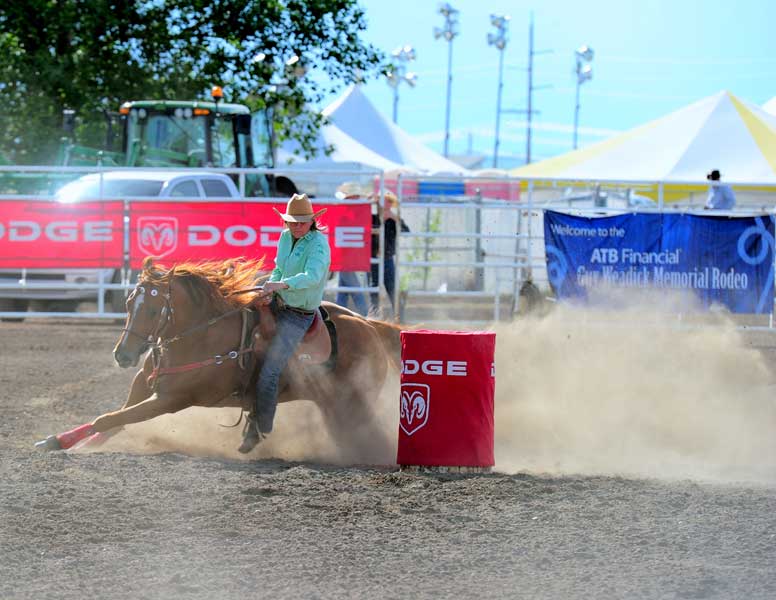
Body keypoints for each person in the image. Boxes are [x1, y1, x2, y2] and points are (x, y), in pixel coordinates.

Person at [239, 193, 331, 453]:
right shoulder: (285, 238)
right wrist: (271, 283)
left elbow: (312, 276)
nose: (297, 226)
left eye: (302, 222)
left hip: (299, 313)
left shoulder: (319, 245)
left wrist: (282, 284)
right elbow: (280, 267)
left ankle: (259, 427)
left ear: (311, 222)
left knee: (270, 371)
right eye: (293, 222)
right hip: (279, 300)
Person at [370, 190, 410, 317]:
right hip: (374, 258)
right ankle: (375, 316)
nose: (387, 203)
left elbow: (406, 231)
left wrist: (394, 218)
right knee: (374, 289)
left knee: (391, 288)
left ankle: (399, 316)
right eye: (384, 200)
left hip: (387, 258)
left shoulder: (394, 219)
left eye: (389, 201)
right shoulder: (373, 217)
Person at [334, 182, 369, 315]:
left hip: (348, 256)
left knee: (345, 289)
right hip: (346, 256)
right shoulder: (347, 213)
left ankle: (338, 314)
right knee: (352, 289)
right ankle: (364, 315)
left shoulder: (351, 213)